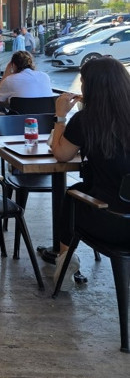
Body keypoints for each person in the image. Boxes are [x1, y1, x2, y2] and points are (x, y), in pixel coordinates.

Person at [51, 57, 130, 291]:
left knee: (73, 194)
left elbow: (61, 154)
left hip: (111, 223)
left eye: (83, 82)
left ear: (91, 87)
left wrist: (61, 117)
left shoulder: (87, 121)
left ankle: (65, 262)